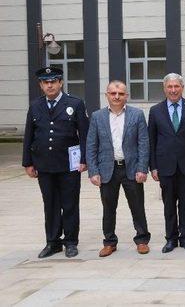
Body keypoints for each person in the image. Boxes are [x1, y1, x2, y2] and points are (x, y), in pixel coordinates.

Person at [22, 66, 89, 258]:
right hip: (44, 164)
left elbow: (84, 134)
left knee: (69, 203)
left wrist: (84, 160)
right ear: (41, 85)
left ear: (60, 83)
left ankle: (70, 242)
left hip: (69, 164)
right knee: (49, 203)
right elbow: (29, 135)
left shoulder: (75, 104)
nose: (50, 85)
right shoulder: (35, 106)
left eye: (53, 81)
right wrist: (28, 162)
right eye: (46, 82)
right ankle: (52, 242)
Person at [86, 80, 151, 257]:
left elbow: (143, 143)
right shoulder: (97, 116)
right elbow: (91, 145)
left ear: (126, 96)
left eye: (120, 94)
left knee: (137, 206)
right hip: (107, 169)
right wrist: (93, 171)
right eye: (113, 93)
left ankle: (142, 239)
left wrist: (142, 168)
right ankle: (109, 242)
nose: (116, 96)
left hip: (131, 168)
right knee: (108, 208)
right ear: (106, 95)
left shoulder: (136, 115)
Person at [148, 73, 185, 253]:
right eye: (169, 87)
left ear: (182, 88)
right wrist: (153, 167)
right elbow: (151, 141)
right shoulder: (155, 111)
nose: (173, 90)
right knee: (169, 205)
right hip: (165, 166)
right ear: (164, 89)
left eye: (176, 86)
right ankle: (171, 239)